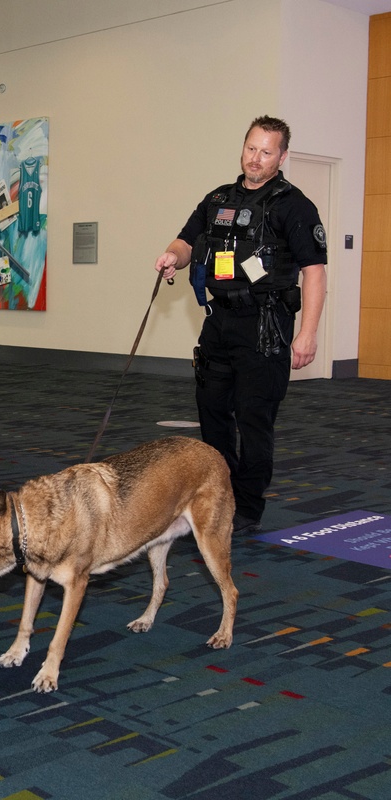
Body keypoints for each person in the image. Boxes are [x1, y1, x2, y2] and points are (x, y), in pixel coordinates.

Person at [155, 115, 327, 535]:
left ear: (282, 156)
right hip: (219, 322)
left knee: (254, 419)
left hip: (266, 327)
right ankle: (220, 494)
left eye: (267, 152)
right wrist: (171, 257)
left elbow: (315, 272)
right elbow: (186, 239)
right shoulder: (217, 199)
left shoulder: (295, 206)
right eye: (252, 148)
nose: (257, 158)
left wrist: (307, 333)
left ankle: (247, 507)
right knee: (212, 414)